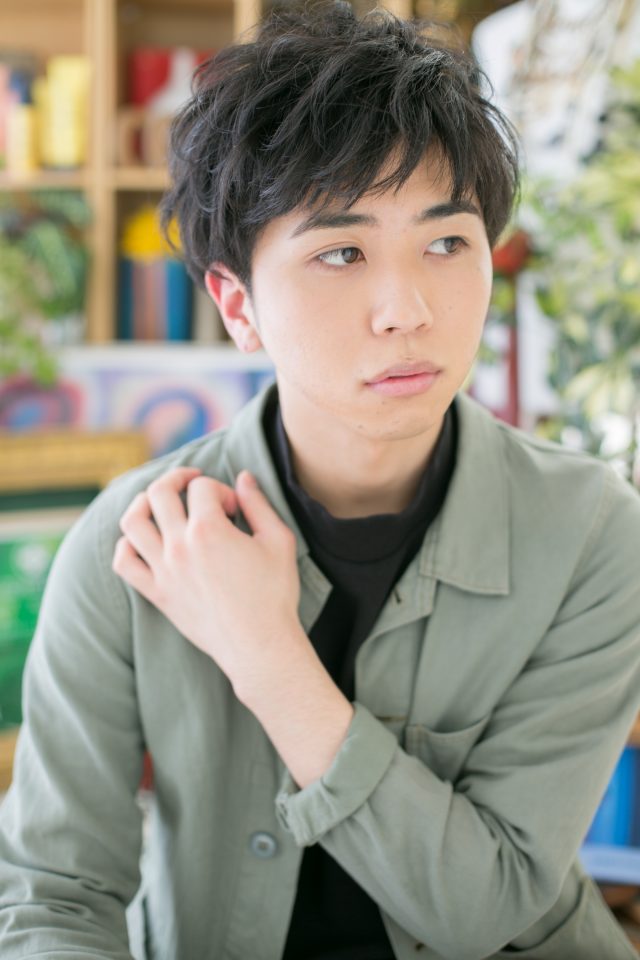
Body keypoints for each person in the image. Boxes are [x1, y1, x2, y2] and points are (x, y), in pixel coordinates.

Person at [1, 4, 640, 958]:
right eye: (341, 252)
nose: (406, 310)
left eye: (447, 242)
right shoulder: (132, 539)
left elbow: (489, 911)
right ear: (237, 304)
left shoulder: (592, 529)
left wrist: (265, 654)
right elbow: (54, 900)